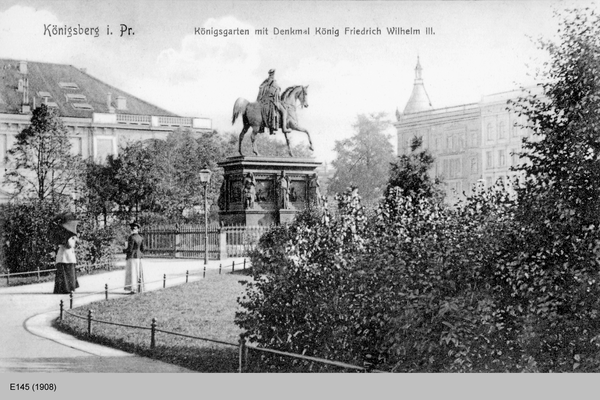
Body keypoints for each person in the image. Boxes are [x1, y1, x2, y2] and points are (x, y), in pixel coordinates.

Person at [257, 69, 291, 134]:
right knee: (284, 112)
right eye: (273, 74)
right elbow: (277, 93)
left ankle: (271, 130)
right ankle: (284, 128)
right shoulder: (274, 82)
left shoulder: (265, 82)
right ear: (272, 74)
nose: (273, 75)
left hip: (265, 101)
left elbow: (261, 88)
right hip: (274, 101)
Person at [53, 215, 79, 294]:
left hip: (63, 255)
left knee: (64, 272)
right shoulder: (68, 235)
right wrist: (73, 240)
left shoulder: (61, 233)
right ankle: (68, 288)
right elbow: (69, 245)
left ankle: (62, 289)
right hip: (67, 256)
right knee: (68, 273)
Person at [124, 222, 145, 294]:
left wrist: (124, 250)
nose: (133, 230)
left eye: (134, 228)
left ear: (137, 229)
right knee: (137, 272)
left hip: (132, 256)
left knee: (132, 272)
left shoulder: (131, 237)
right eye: (132, 228)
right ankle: (138, 287)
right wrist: (140, 254)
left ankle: (133, 288)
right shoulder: (140, 238)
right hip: (138, 257)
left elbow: (130, 249)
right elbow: (143, 249)